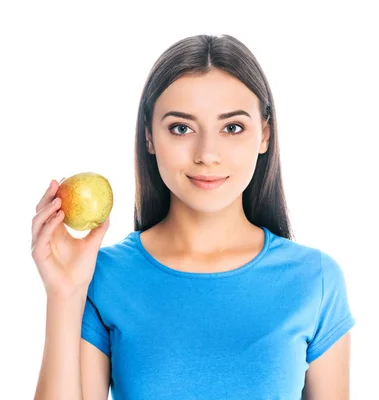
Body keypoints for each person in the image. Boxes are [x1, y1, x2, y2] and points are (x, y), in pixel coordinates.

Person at [31, 34, 356, 400]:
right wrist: (64, 294)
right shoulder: (101, 276)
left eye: (232, 127)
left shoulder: (315, 279)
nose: (207, 154)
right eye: (181, 128)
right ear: (149, 137)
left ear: (264, 134)